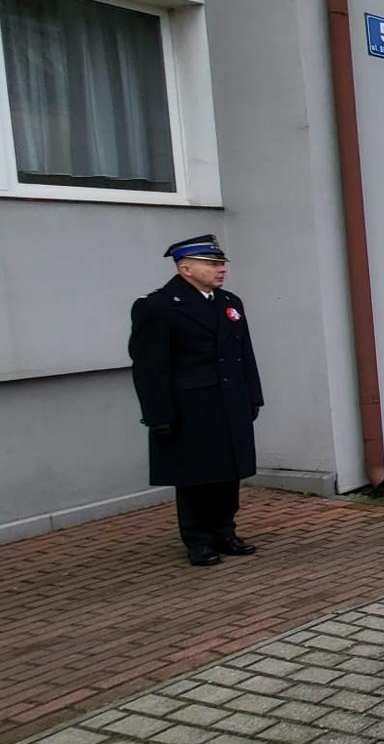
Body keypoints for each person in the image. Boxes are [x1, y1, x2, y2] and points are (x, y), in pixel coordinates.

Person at [129, 235, 264, 567]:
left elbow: (244, 354)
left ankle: (224, 531)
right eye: (212, 264)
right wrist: (158, 413)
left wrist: (253, 395)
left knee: (228, 472)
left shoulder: (229, 302)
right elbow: (150, 368)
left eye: (221, 263)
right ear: (185, 268)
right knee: (196, 476)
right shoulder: (157, 306)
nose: (221, 269)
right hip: (191, 407)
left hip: (229, 400)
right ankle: (198, 539)